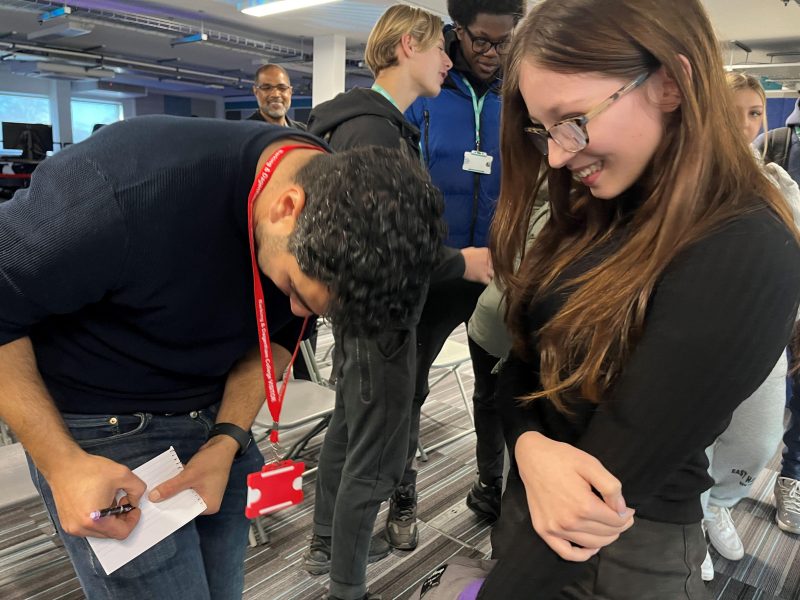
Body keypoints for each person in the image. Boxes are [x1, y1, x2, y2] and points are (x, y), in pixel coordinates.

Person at [0, 115, 445, 600]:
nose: (296, 311)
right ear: (287, 207)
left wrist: (227, 438)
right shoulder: (118, 189)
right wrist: (62, 465)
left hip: (218, 419)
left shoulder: (332, 201)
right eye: (294, 290)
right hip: (101, 428)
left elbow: (272, 336)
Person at [448, 0, 800, 598]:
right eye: (543, 129)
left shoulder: (744, 247)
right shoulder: (598, 209)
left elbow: (607, 489)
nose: (556, 155)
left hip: (627, 554)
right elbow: (518, 368)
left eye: (572, 120)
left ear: (671, 82)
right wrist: (532, 447)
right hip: (529, 512)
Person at [303, 6, 490, 600]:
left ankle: (328, 547)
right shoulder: (374, 131)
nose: (447, 60)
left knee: (347, 433)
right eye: (440, 49)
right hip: (383, 316)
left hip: (365, 313)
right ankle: (346, 584)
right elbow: (387, 246)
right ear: (409, 45)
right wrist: (463, 261)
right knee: (377, 460)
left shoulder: (368, 123)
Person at [399, 0, 524, 533]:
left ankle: (488, 486)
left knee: (494, 387)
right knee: (410, 386)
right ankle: (401, 494)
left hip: (498, 267)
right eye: (481, 41)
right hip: (436, 266)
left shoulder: (521, 92)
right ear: (456, 31)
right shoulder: (427, 88)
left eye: (505, 41)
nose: (493, 54)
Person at [699, 72, 800, 581]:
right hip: (698, 340)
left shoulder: (779, 182)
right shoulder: (689, 179)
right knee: (695, 438)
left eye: (756, 112)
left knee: (757, 441)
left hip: (763, 341)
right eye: (734, 110)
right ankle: (688, 519)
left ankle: (719, 503)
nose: (745, 124)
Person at [249, 63, 307, 130]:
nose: (275, 95)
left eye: (282, 87)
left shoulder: (306, 133)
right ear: (256, 91)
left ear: (290, 92)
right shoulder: (241, 134)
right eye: (267, 88)